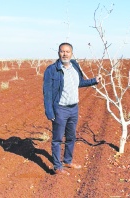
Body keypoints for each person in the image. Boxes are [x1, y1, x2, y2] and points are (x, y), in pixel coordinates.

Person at [43, 42, 101, 175]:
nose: (64, 54)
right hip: (60, 109)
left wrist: (94, 80)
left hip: (74, 108)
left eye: (67, 51)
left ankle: (67, 161)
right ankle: (57, 166)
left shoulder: (75, 65)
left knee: (71, 137)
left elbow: (79, 82)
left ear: (72, 53)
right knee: (57, 139)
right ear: (58, 53)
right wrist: (49, 111)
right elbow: (47, 93)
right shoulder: (51, 70)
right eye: (62, 51)